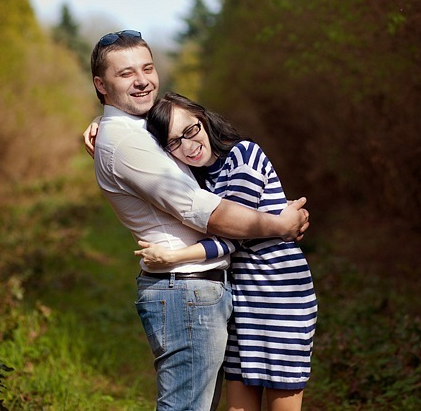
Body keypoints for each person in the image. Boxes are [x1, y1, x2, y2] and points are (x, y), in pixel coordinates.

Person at [85, 30, 310, 411]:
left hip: (213, 290)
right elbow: (210, 213)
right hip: (185, 292)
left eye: (147, 68)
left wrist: (102, 120)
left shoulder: (135, 132)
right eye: (125, 73)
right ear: (101, 85)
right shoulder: (126, 140)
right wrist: (281, 226)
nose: (142, 80)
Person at [135, 92, 317, 411]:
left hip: (280, 293)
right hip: (238, 298)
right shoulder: (195, 180)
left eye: (190, 130)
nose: (188, 146)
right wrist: (103, 126)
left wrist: (173, 257)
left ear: (202, 118)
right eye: (174, 142)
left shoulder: (243, 156)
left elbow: (233, 238)